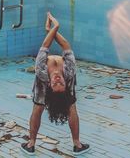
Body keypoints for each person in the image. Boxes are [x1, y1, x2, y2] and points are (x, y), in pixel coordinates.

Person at [20, 12, 90, 156]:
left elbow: (45, 45)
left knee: (68, 107)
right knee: (39, 108)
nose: (58, 79)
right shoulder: (69, 71)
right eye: (60, 82)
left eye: (56, 83)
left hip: (45, 86)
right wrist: (53, 28)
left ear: (50, 85)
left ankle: (77, 143)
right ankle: (31, 142)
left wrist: (53, 28)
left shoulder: (42, 70)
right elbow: (66, 46)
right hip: (50, 88)